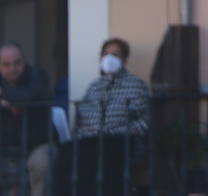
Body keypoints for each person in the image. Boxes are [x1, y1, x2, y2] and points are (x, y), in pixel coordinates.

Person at [61, 38, 150, 196]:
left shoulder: (136, 85)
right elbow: (80, 120)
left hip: (120, 144)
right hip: (90, 143)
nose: (109, 59)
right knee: (65, 156)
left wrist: (120, 132)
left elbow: (145, 121)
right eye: (106, 54)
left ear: (124, 60)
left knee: (100, 161)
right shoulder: (94, 87)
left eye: (115, 55)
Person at [0, 43, 55, 196]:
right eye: (6, 65)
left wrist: (2, 94)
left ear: (24, 61)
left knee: (41, 164)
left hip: (40, 144)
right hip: (5, 146)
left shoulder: (38, 76)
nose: (13, 68)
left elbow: (24, 99)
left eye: (17, 63)